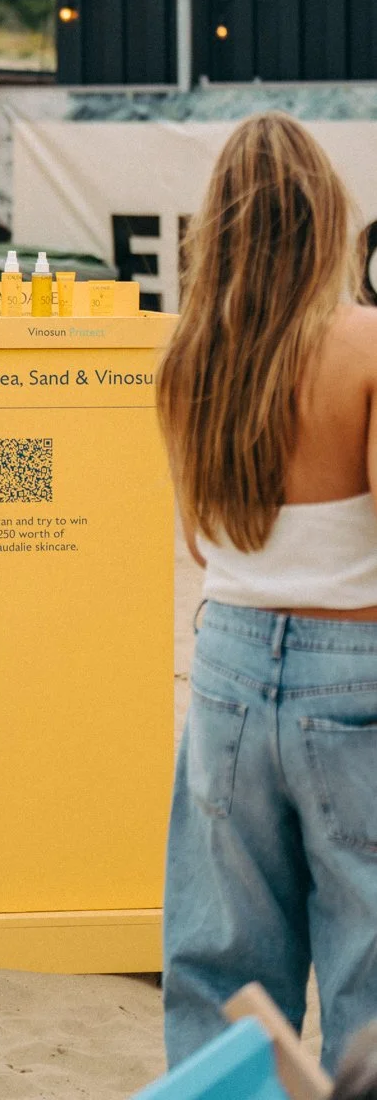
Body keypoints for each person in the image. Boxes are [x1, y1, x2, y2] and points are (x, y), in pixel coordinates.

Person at [156, 113, 377, 1077]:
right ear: (327, 219)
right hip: (354, 668)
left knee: (222, 959)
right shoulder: (365, 345)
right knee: (367, 954)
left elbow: (201, 541)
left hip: (230, 664)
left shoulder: (189, 360)